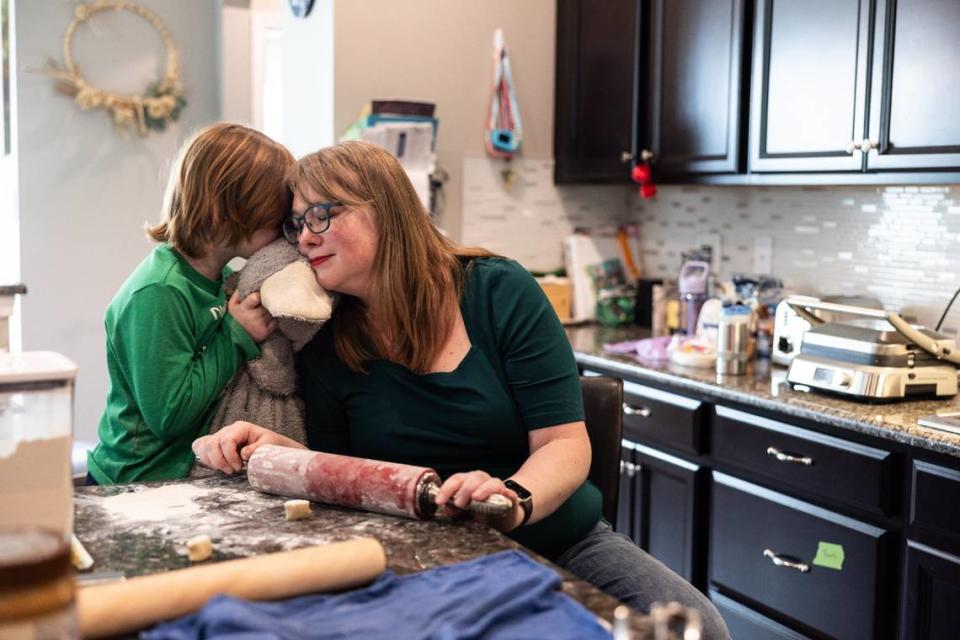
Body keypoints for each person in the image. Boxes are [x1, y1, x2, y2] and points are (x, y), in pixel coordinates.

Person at [193, 140, 729, 639]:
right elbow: (348, 472)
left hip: (553, 537)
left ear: (386, 210)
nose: (305, 237)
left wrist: (509, 500)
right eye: (296, 224)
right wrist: (283, 452)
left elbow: (564, 444)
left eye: (321, 214)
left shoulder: (499, 291)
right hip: (422, 552)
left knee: (699, 626)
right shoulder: (326, 335)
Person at [87, 123, 296, 485]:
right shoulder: (159, 292)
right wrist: (235, 334)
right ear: (230, 212)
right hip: (135, 482)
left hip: (184, 476)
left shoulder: (221, 278)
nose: (283, 231)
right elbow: (170, 415)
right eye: (275, 217)